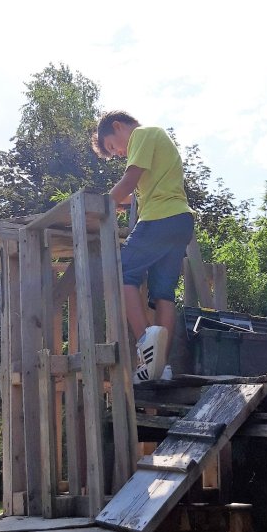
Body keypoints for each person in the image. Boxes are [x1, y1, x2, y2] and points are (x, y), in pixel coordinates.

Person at [92, 111, 194, 383]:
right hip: (180, 221)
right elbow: (143, 189)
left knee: (121, 272)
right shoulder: (157, 139)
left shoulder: (141, 134)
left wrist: (101, 205)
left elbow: (129, 180)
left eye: (113, 146)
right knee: (163, 295)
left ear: (118, 126)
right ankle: (160, 368)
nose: (119, 153)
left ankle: (145, 340)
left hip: (160, 218)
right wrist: (122, 202)